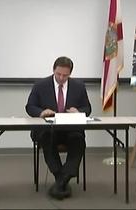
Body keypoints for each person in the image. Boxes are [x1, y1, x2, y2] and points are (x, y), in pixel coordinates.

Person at [25, 56, 91, 200]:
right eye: (58, 74)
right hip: (48, 130)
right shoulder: (40, 85)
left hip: (71, 129)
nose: (61, 78)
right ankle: (61, 177)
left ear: (70, 74)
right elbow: (30, 106)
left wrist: (78, 112)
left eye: (65, 75)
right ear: (53, 70)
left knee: (78, 140)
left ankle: (62, 180)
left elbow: (87, 108)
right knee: (46, 139)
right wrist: (41, 113)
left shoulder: (79, 86)